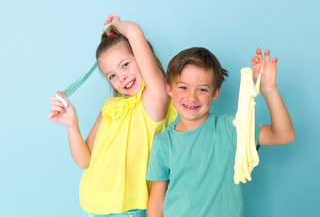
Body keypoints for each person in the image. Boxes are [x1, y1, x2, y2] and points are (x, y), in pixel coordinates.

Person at [47, 14, 177, 217]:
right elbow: (84, 161)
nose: (122, 77)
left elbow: (133, 31)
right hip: (93, 207)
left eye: (125, 65)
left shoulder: (155, 99)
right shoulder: (109, 108)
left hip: (128, 211)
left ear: (142, 56)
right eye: (112, 76)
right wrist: (72, 124)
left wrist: (113, 26)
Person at [146, 47, 295, 217]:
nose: (192, 97)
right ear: (169, 89)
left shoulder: (231, 129)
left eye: (202, 89)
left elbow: (284, 135)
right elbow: (156, 203)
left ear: (215, 93)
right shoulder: (163, 143)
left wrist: (269, 90)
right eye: (183, 87)